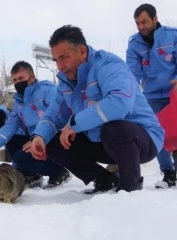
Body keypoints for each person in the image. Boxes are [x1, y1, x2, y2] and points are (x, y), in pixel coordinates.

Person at [30, 25, 164, 193]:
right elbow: (53, 115)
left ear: (82, 51)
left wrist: (74, 123)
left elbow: (120, 102)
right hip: (103, 141)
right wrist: (40, 136)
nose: (60, 66)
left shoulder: (108, 64)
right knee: (51, 140)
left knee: (114, 129)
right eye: (56, 60)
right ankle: (105, 180)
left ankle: (130, 187)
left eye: (63, 57)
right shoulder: (65, 82)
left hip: (142, 139)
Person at [0, 61, 71, 189]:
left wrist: (40, 138)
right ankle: (32, 175)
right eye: (15, 80)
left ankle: (59, 172)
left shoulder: (49, 91)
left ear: (32, 77)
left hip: (56, 139)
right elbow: (9, 127)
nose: (17, 83)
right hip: (37, 140)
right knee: (12, 140)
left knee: (20, 157)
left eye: (21, 78)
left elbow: (62, 117)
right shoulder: (19, 101)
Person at [126, 3, 177, 188]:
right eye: (138, 23)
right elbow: (132, 73)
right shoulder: (134, 44)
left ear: (155, 19)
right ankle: (168, 172)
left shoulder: (172, 35)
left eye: (144, 22)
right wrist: (130, 92)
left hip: (175, 91)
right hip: (152, 95)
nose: (141, 27)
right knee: (157, 133)